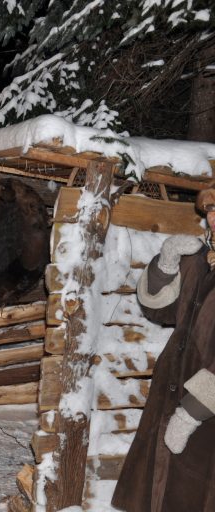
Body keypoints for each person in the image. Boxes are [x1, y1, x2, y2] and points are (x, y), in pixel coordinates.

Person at [112, 185, 215, 511]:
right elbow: (158, 310)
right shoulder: (200, 261)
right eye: (211, 209)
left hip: (206, 410)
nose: (214, 218)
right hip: (171, 391)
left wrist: (191, 413)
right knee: (159, 489)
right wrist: (167, 263)